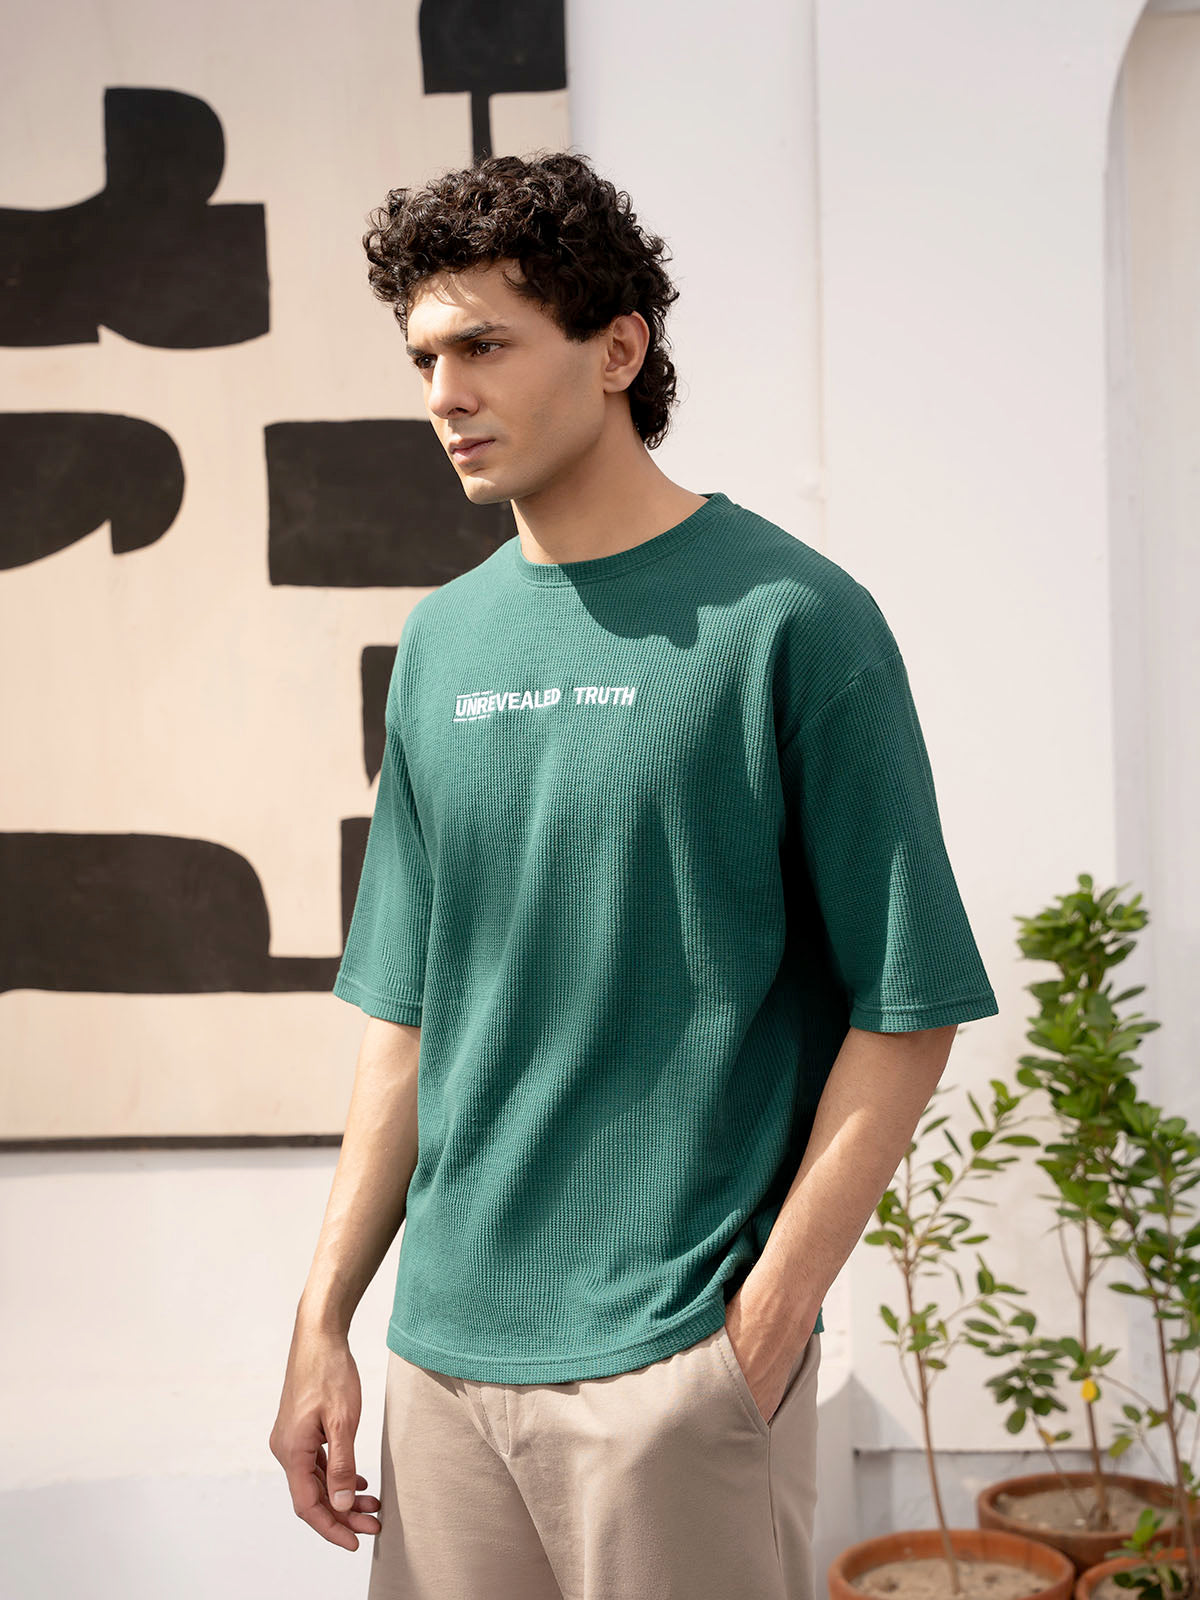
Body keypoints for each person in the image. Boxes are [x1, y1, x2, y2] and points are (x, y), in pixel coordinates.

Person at [269, 149, 999, 1599]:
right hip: (443, 1363)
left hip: (671, 1362)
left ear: (617, 350)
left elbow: (908, 1007)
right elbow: (407, 1022)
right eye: (424, 357)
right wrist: (323, 1321)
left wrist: (757, 1335)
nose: (444, 395)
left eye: (485, 346)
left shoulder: (792, 618)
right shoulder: (442, 643)